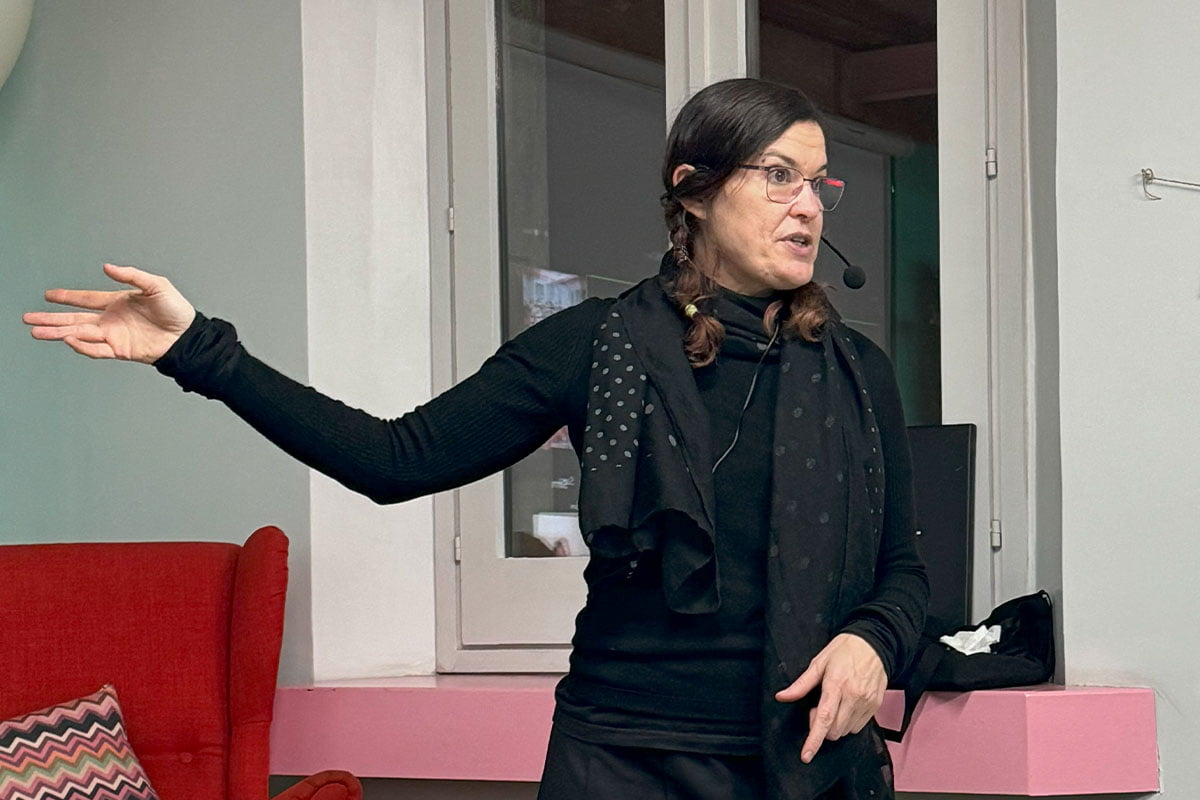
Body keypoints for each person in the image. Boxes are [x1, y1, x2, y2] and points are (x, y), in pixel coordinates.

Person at [24, 78, 928, 799]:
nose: (808, 206)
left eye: (820, 183)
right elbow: (393, 459)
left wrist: (874, 642)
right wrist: (200, 351)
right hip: (620, 760)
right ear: (694, 189)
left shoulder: (858, 371)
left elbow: (906, 571)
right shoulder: (597, 344)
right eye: (779, 175)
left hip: (802, 762)